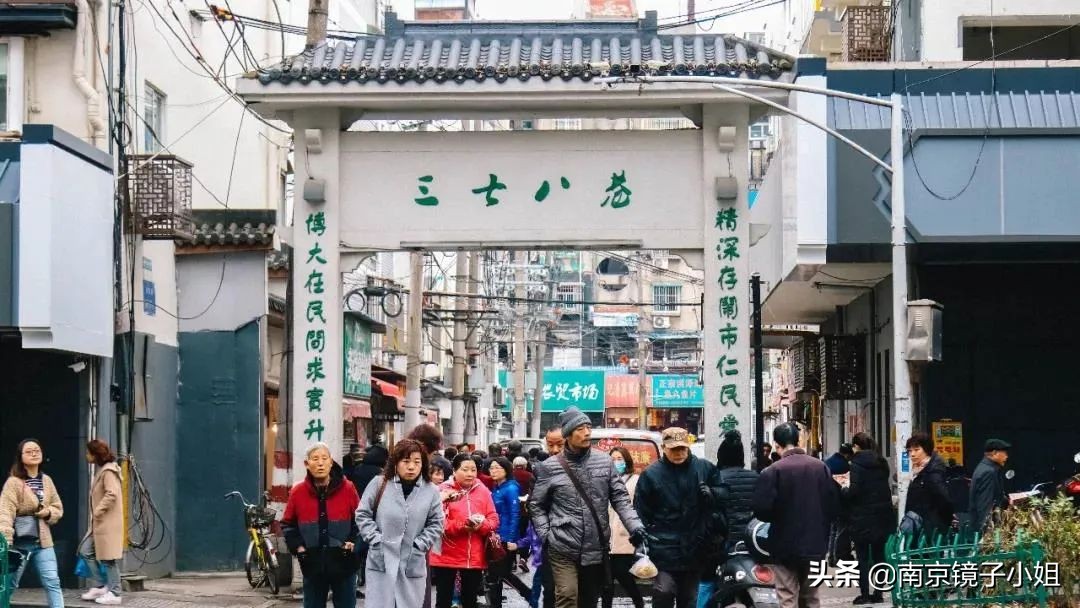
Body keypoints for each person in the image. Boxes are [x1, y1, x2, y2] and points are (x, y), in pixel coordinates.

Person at [529, 407, 646, 608]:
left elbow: (620, 499)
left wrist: (635, 526)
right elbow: (536, 505)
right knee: (567, 595)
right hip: (562, 544)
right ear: (567, 434)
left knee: (589, 600)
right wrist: (546, 533)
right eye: (580, 429)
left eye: (588, 427)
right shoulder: (549, 467)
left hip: (595, 546)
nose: (587, 433)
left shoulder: (605, 462)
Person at [636, 427, 726, 608]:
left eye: (682, 448)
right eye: (674, 449)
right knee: (664, 591)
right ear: (663, 448)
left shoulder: (704, 468)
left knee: (689, 598)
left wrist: (712, 494)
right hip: (663, 547)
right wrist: (643, 539)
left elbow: (724, 494)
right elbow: (640, 511)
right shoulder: (651, 474)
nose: (679, 453)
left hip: (696, 545)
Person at [752, 423, 839, 608]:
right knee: (811, 596)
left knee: (787, 596)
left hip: (784, 546)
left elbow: (761, 509)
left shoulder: (773, 471)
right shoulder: (821, 467)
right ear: (798, 440)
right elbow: (833, 505)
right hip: (815, 544)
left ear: (777, 445)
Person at [355, 439, 445, 608]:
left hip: (412, 561)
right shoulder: (379, 484)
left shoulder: (430, 490)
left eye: (417, 462)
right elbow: (362, 514)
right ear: (395, 462)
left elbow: (437, 523)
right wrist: (375, 540)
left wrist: (419, 545)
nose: (411, 467)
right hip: (381, 558)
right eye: (406, 461)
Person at [282, 443, 361, 608]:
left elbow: (360, 521)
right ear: (306, 464)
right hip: (312, 562)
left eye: (325, 458)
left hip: (344, 561)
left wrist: (353, 541)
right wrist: (299, 548)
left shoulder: (348, 488)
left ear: (331, 462)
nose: (320, 463)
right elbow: (288, 524)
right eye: (315, 459)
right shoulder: (298, 492)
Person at [0, 439, 64, 608]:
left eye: (37, 450)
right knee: (9, 584)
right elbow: (5, 513)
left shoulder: (47, 480)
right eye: (29, 451)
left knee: (52, 581)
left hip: (43, 542)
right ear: (20, 457)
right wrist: (6, 543)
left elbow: (58, 507)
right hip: (19, 543)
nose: (34, 453)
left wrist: (48, 512)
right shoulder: (13, 483)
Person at [698, 430, 758, 608]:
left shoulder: (716, 479)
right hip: (752, 543)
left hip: (722, 544)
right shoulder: (757, 478)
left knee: (706, 582)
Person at [430, 454, 499, 608]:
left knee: (470, 600)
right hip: (446, 555)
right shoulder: (442, 491)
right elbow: (437, 523)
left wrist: (481, 525)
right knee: (443, 600)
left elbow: (493, 518)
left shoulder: (483, 490)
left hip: (473, 555)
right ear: (454, 471)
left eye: (473, 470)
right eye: (465, 469)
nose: (470, 474)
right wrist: (462, 526)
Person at [844, 433, 893, 605]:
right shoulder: (882, 462)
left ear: (856, 446)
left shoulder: (856, 464)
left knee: (862, 558)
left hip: (862, 518)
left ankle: (865, 594)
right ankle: (878, 592)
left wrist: (844, 489)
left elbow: (854, 491)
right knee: (880, 556)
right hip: (882, 516)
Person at [79, 440, 125, 605]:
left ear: (95, 454)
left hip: (106, 523)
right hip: (100, 524)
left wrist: (98, 510)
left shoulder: (108, 472)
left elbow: (111, 494)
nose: (86, 455)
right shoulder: (103, 470)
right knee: (86, 551)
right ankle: (101, 585)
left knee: (109, 559)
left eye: (88, 453)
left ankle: (115, 592)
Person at [602, 447, 645, 608]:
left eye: (619, 458)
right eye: (612, 459)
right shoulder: (604, 480)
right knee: (606, 580)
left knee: (622, 573)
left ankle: (638, 601)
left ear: (626, 460)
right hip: (606, 536)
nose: (616, 462)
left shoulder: (636, 480)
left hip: (625, 536)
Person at [487, 457, 530, 606]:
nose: (493, 471)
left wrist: (512, 539)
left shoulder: (511, 487)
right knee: (494, 574)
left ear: (506, 470)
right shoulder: (497, 486)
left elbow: (515, 514)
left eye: (497, 468)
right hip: (495, 535)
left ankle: (529, 595)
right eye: (491, 468)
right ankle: (495, 603)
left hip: (506, 536)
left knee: (502, 573)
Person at [905, 432, 954, 542]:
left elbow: (943, 499)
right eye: (910, 451)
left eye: (916, 450)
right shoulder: (918, 471)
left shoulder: (932, 472)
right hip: (919, 527)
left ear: (926, 450)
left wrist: (941, 521)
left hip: (930, 531)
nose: (912, 454)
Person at [969, 439, 1011, 534]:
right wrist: (989, 534)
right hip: (986, 530)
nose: (1007, 456)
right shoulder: (988, 472)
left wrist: (1007, 500)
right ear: (994, 453)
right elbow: (985, 505)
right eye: (1004, 453)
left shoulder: (986, 468)